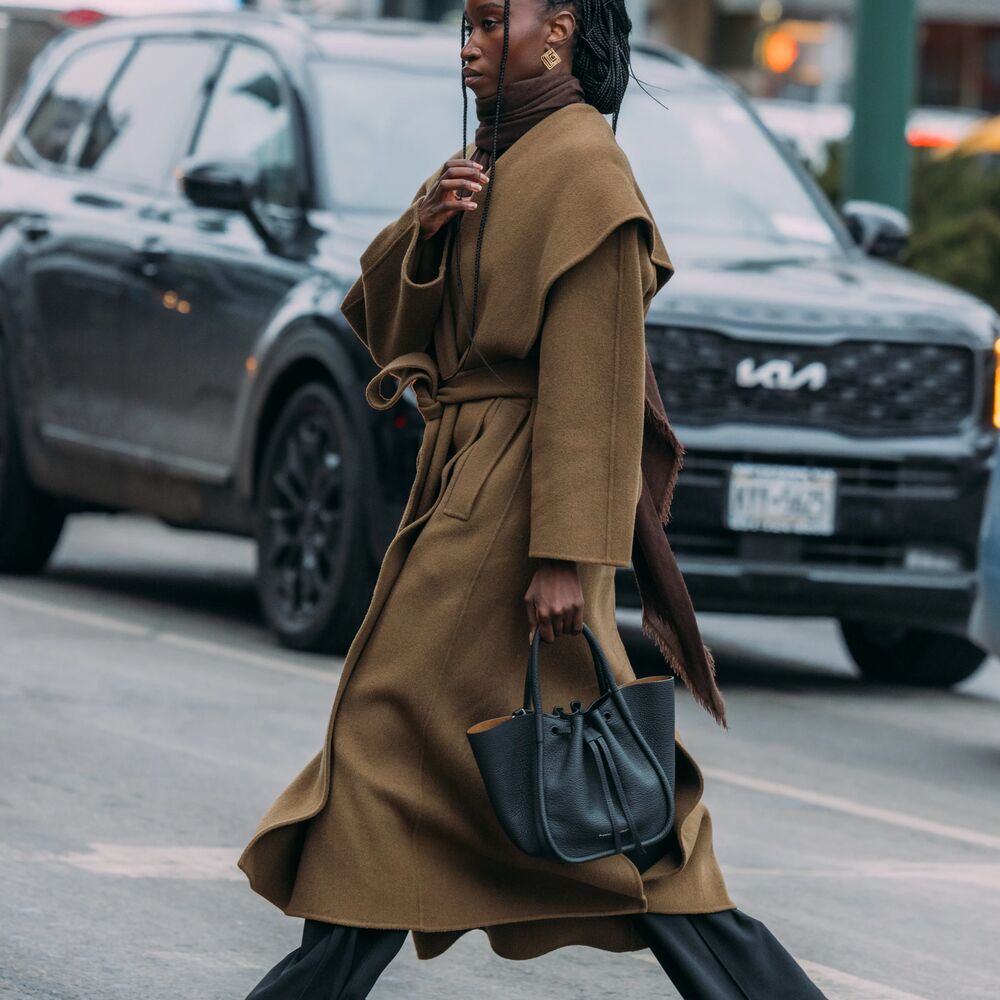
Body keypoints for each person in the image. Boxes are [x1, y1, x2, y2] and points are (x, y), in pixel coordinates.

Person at [237, 1, 827, 997]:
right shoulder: (489, 160)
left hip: (513, 510)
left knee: (392, 739)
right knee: (593, 818)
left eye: (487, 22)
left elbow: (595, 378)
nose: (465, 40)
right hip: (468, 486)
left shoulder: (583, 168)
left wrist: (568, 553)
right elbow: (388, 327)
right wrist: (426, 229)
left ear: (555, 32)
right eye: (462, 24)